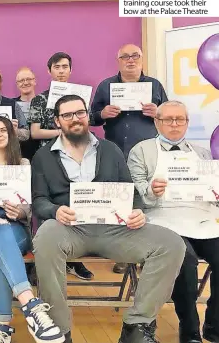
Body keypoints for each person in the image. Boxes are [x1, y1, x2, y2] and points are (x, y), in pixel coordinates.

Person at [32, 94, 186, 343]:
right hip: (69, 229)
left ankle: (137, 326)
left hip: (115, 228)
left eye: (80, 113)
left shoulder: (110, 150)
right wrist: (54, 211)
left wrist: (137, 211)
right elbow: (39, 200)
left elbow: (130, 191)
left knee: (171, 244)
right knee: (45, 237)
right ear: (57, 121)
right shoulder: (43, 157)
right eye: (67, 115)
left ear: (87, 115)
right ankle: (58, 330)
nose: (75, 119)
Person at [0, 115, 64, 343]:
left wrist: (19, 212)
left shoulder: (23, 163)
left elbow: (28, 209)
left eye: (2, 130)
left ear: (11, 134)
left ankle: (3, 327)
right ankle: (31, 306)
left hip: (14, 226)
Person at [127, 100, 219, 343]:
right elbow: (134, 193)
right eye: (168, 119)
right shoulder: (141, 151)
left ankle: (215, 325)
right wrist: (151, 190)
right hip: (161, 217)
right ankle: (189, 330)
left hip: (201, 217)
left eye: (180, 119)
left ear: (188, 123)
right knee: (184, 259)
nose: (175, 124)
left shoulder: (203, 153)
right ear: (157, 122)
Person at [90, 44, 168, 274]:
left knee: (145, 201)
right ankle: (122, 254)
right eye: (125, 56)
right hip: (115, 150)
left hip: (146, 153)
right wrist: (103, 114)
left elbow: (170, 116)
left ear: (142, 60)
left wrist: (158, 113)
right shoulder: (106, 86)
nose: (130, 60)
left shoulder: (154, 85)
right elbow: (92, 118)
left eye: (135, 56)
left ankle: (146, 253)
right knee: (120, 201)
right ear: (118, 61)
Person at [28, 52, 93, 280]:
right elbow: (35, 132)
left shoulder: (81, 97)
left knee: (77, 203)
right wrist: (63, 132)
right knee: (46, 207)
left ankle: (76, 259)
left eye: (65, 66)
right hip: (48, 158)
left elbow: (85, 128)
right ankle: (43, 259)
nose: (62, 70)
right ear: (50, 71)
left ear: (70, 70)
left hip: (78, 157)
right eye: (57, 67)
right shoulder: (39, 99)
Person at [13, 67, 41, 162]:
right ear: (17, 84)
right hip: (18, 155)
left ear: (35, 81)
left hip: (41, 152)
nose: (25, 83)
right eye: (21, 80)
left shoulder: (45, 103)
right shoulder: (11, 104)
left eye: (29, 79)